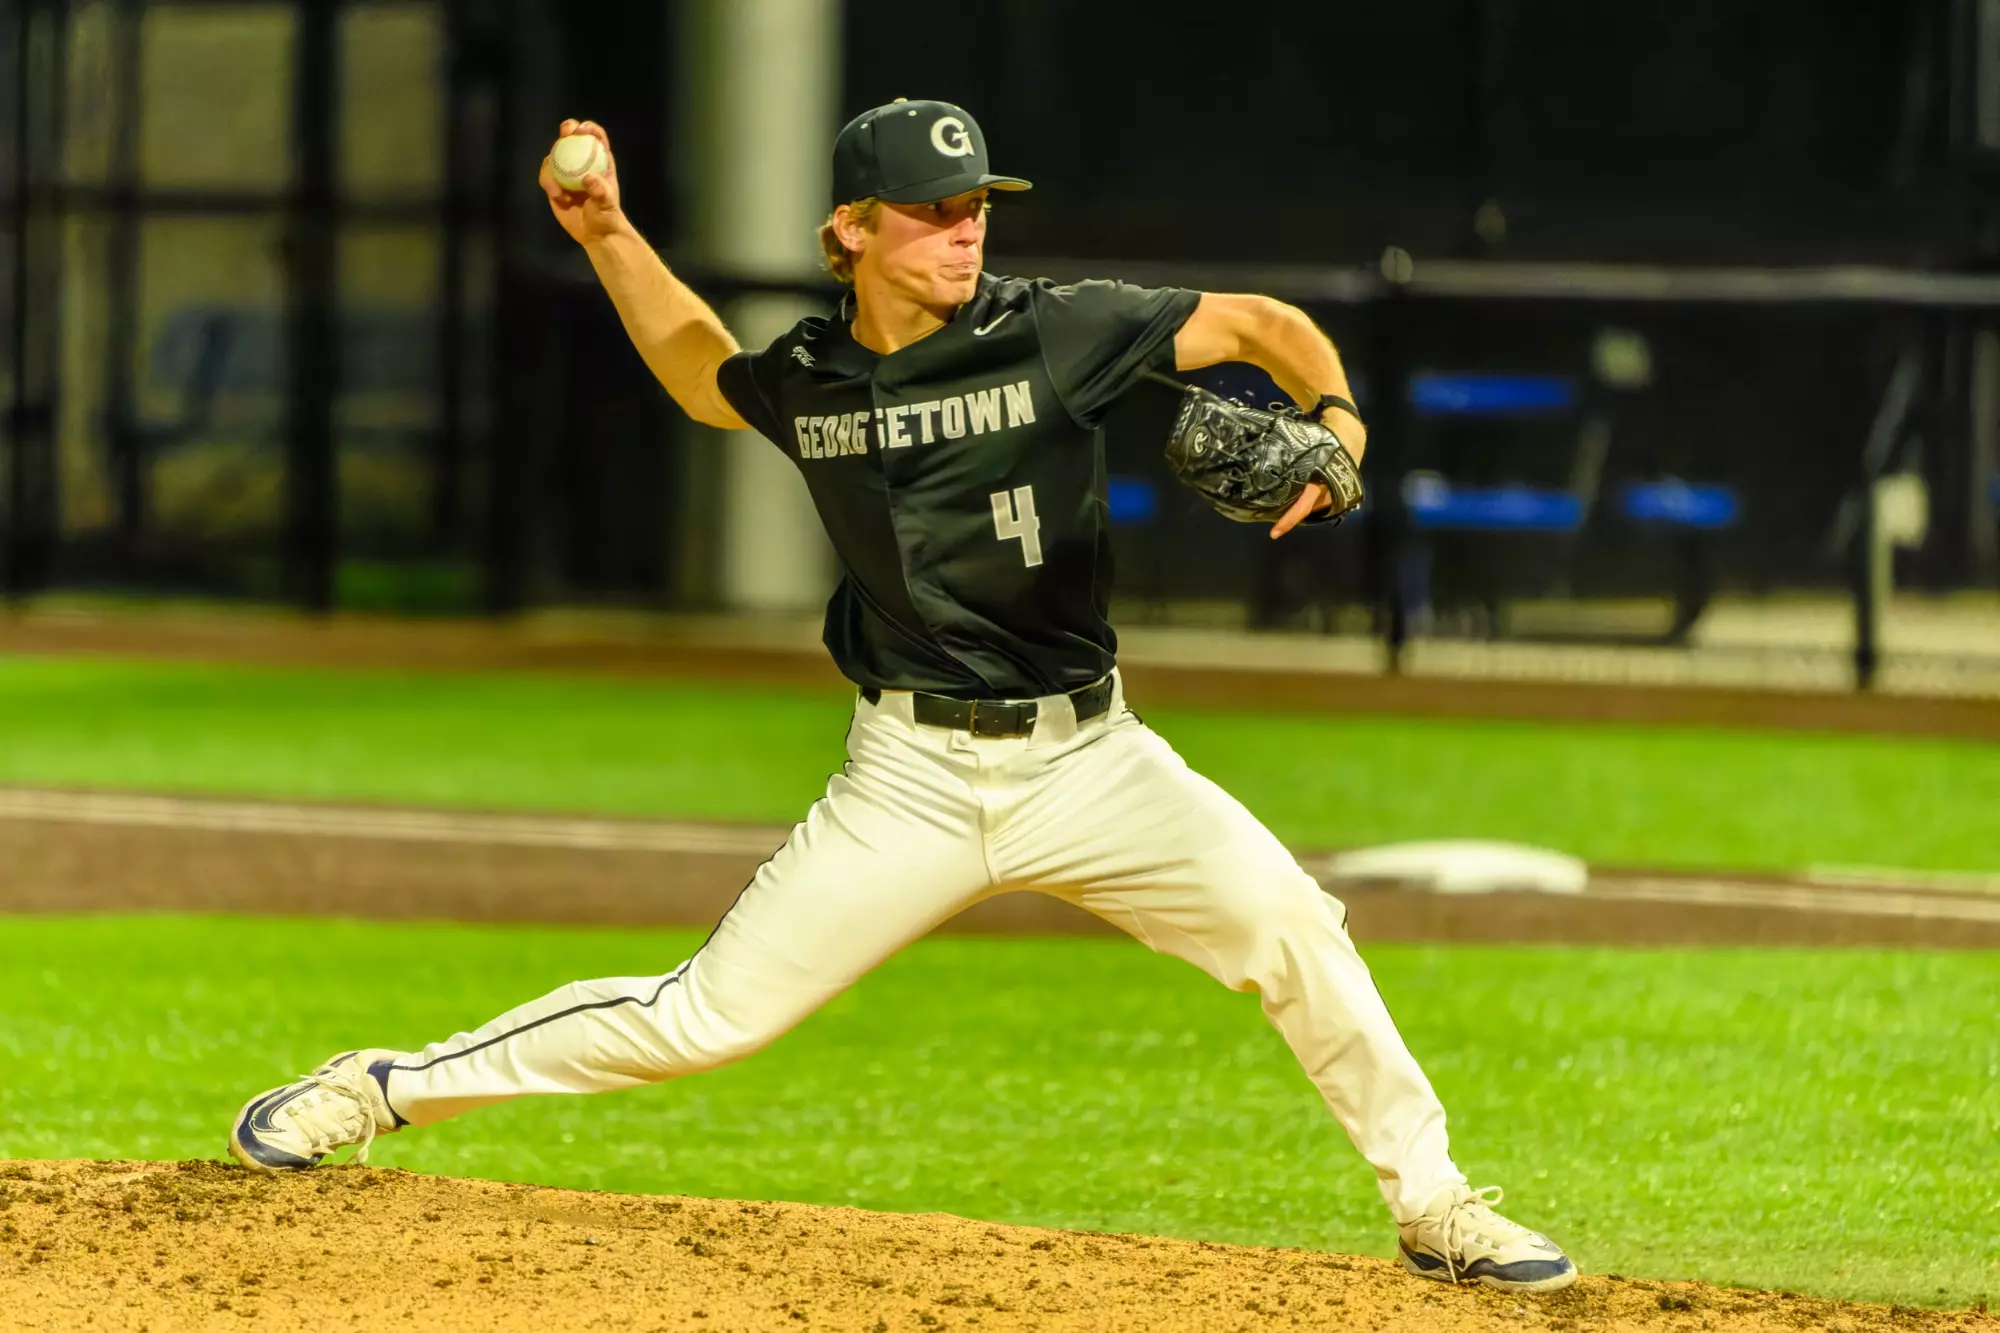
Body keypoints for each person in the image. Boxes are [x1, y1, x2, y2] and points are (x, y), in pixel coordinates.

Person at [229, 99, 1576, 1295]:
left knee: (1292, 928)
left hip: (1092, 762)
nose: (963, 229)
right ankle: (382, 1089)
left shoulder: (1060, 329)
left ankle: (1436, 1205)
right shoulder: (814, 379)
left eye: (975, 204)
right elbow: (701, 373)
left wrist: (1337, 424)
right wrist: (608, 235)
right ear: (853, 230)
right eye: (932, 210)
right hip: (910, 781)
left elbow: (1266, 327)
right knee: (704, 1020)